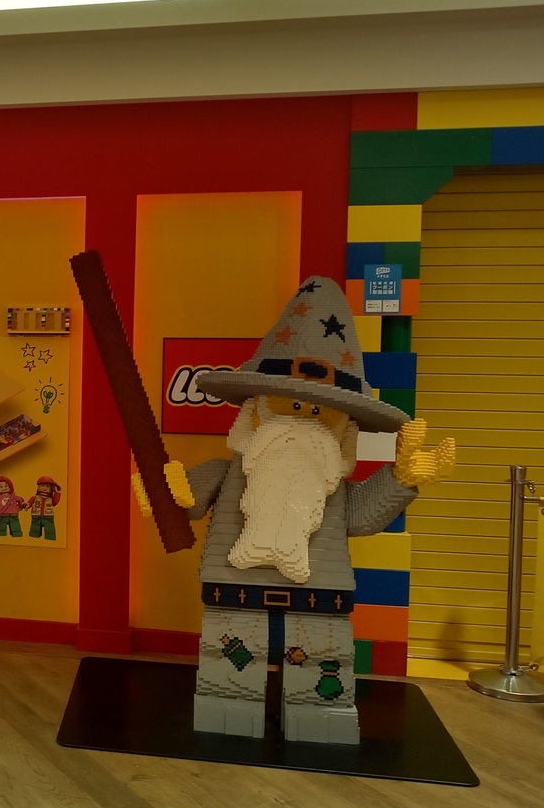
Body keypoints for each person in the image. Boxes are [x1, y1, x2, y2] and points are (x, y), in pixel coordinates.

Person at [154, 276, 454, 744]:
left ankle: (318, 714)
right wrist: (173, 492)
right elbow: (187, 504)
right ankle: (228, 707)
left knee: (317, 666)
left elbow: (361, 518)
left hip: (320, 593)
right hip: (234, 588)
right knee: (231, 663)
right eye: (289, 405)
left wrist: (400, 479)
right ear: (255, 411)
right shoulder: (227, 472)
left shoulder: (330, 481)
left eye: (319, 411)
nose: (301, 422)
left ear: (343, 429)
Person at [26, 476, 62, 540]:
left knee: (50, 531)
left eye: (47, 486)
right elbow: (29, 503)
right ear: (38, 487)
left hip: (48, 517)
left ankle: (50, 540)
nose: (45, 488)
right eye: (43, 486)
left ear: (51, 488)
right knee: (34, 531)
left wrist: (57, 492)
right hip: (36, 517)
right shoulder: (35, 498)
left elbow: (55, 502)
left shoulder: (51, 499)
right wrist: (26, 505)